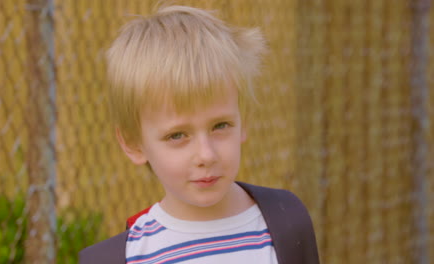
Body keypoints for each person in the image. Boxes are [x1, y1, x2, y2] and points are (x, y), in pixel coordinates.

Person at [79, 5, 319, 264]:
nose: (206, 155)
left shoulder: (287, 221)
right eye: (177, 135)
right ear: (134, 144)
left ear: (243, 122)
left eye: (220, 126)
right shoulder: (121, 258)